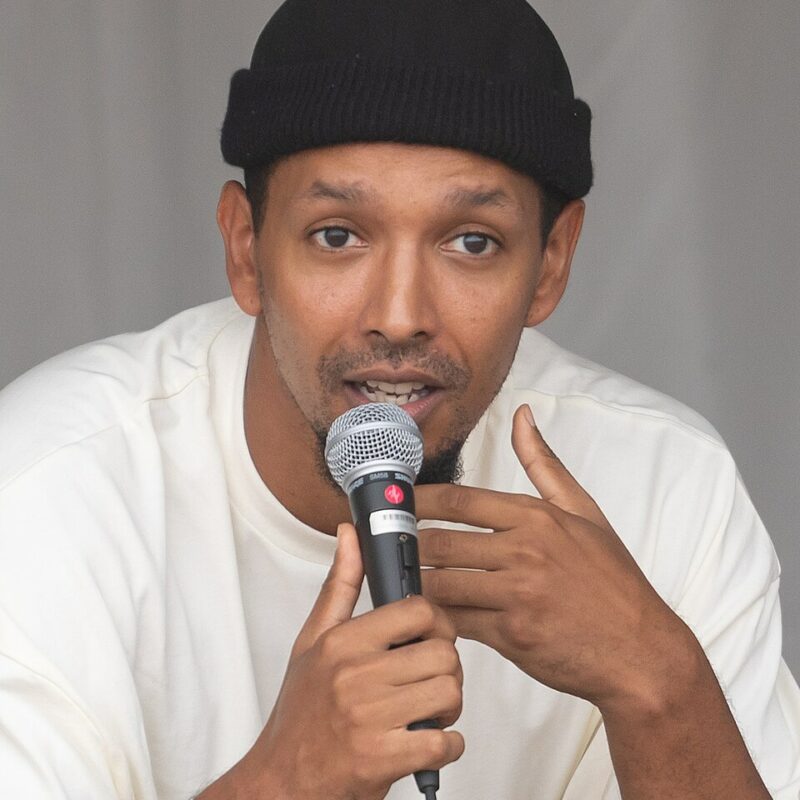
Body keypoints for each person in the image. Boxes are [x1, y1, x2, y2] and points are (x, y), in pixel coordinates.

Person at [0, 0, 798, 798]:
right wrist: (283, 782)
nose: (400, 314)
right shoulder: (45, 492)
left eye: (471, 242)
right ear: (246, 250)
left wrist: (659, 682)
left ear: (551, 263)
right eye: (337, 235)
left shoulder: (665, 488)